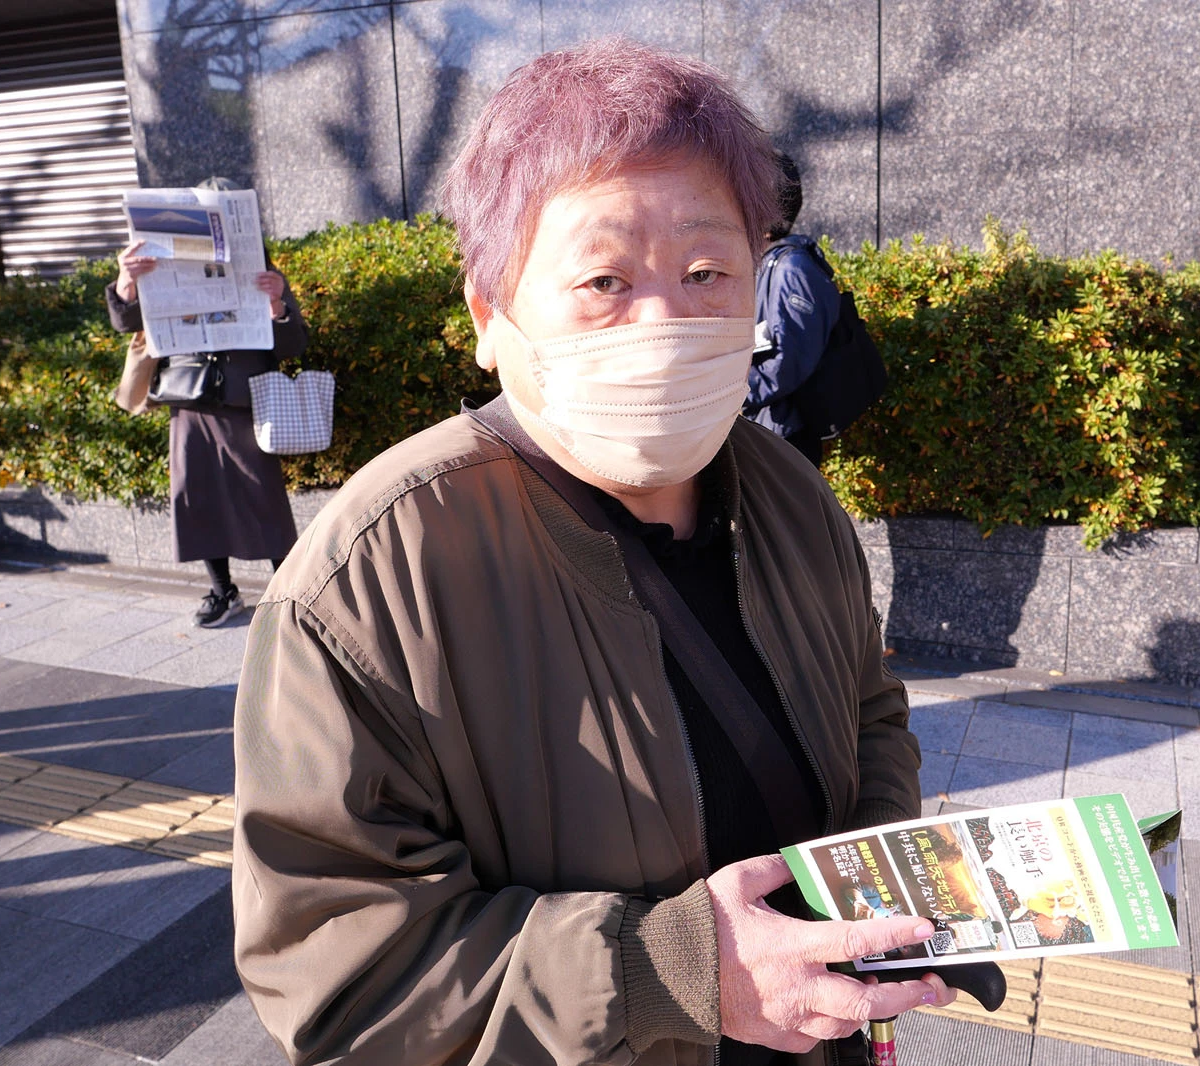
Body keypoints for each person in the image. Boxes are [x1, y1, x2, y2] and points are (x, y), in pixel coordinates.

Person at [231, 38, 954, 1066]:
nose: (665, 319)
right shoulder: (371, 579)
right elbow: (340, 981)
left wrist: (872, 886)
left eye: (707, 272)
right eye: (605, 279)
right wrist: (668, 971)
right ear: (490, 314)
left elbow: (869, 711)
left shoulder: (789, 493)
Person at [106, 178, 305, 627]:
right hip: (188, 396)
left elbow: (294, 344)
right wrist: (126, 281)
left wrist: (277, 304)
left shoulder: (263, 269)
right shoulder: (159, 262)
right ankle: (222, 590)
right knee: (195, 496)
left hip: (244, 399)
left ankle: (289, 592)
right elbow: (126, 321)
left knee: (264, 498)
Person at [743, 153, 842, 465]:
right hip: (763, 427)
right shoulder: (764, 263)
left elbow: (789, 363)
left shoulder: (792, 269)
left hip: (784, 437)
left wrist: (732, 392)